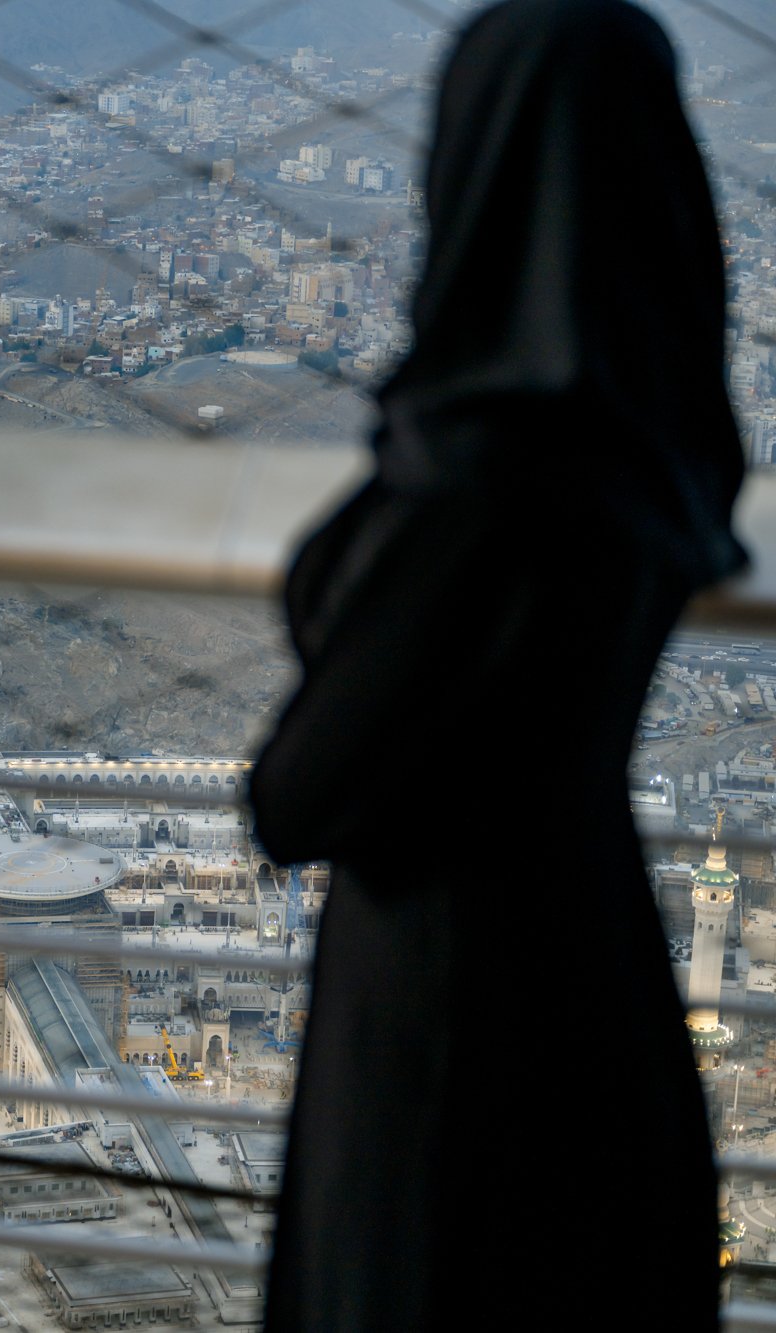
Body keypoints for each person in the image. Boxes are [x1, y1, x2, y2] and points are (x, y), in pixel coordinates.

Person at [250, 1, 743, 1328]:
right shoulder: (649, 440)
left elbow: (293, 796)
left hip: (447, 1059)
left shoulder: (489, 481)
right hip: (597, 997)